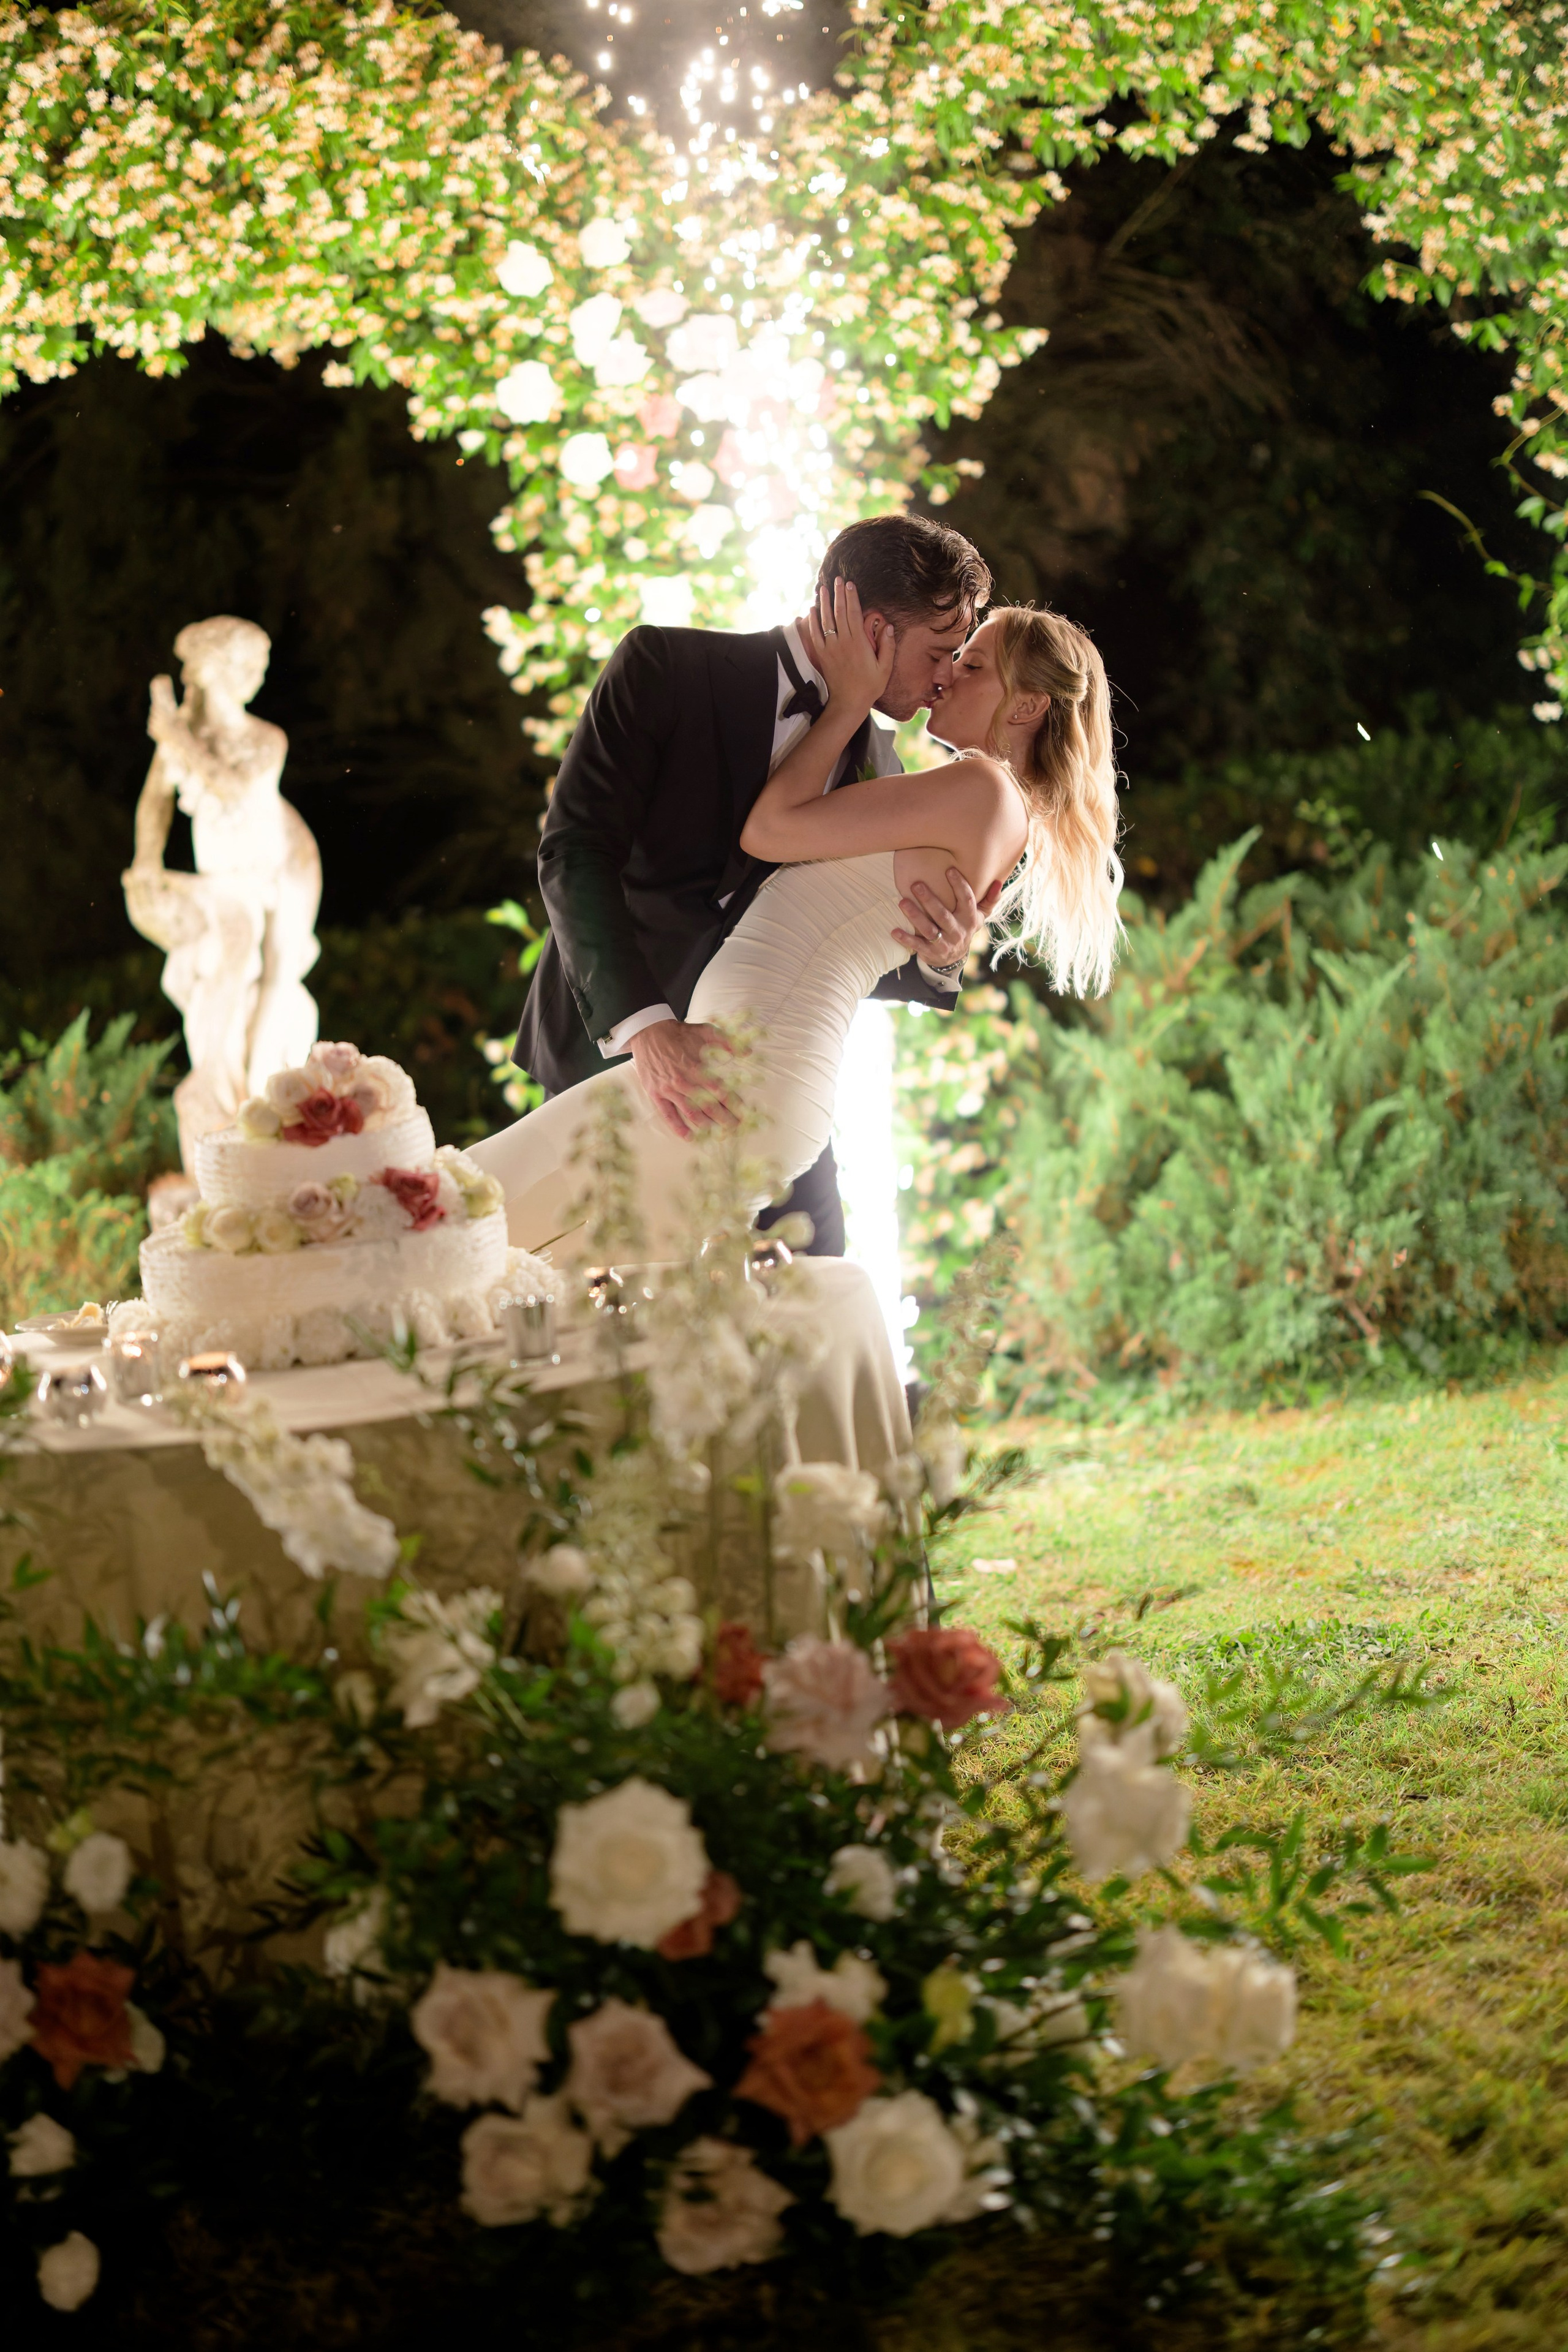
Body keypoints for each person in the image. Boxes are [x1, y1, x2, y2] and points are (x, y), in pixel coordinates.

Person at [469, 580, 1124, 1264]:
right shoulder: (964, 797)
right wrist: (939, 957)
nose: (947, 676)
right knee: (558, 1266)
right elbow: (860, 923)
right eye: (950, 654)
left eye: (971, 664)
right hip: (726, 1063)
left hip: (738, 1071)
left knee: (481, 1214)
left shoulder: (970, 787)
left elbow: (770, 832)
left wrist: (843, 707)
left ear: (1027, 705)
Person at [511, 513, 998, 1256]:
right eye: (939, 651)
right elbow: (573, 853)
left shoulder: (882, 764)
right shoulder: (665, 667)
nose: (945, 677)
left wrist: (938, 951)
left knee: (816, 1286)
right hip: (616, 1063)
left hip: (768, 1084)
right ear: (873, 630)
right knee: (600, 1303)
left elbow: (829, 946)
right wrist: (649, 1031)